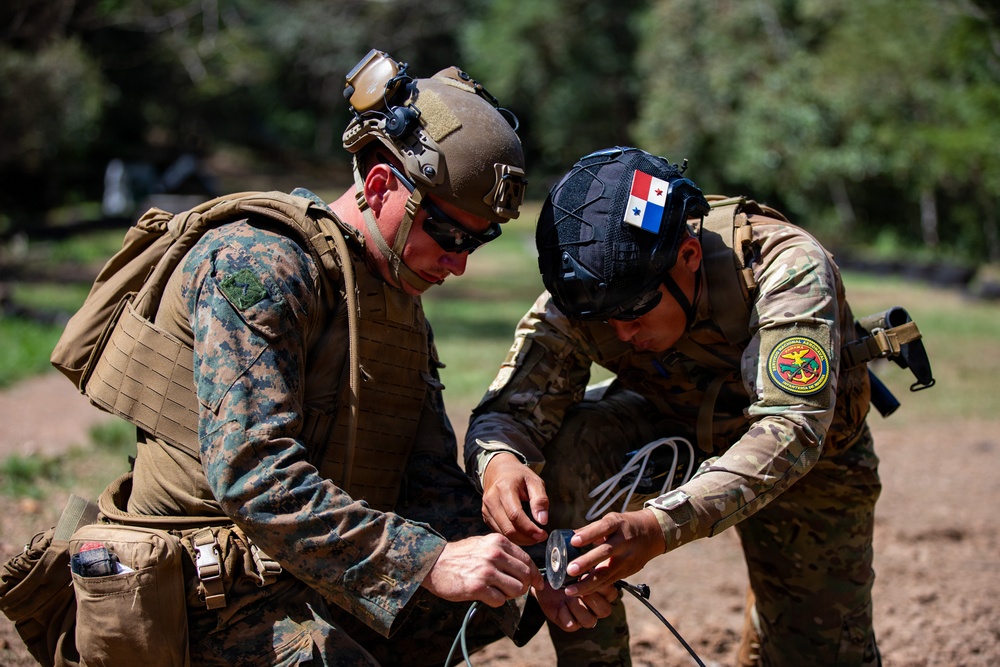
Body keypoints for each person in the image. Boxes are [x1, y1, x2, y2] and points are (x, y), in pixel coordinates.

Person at [56, 51, 616, 666]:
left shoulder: (392, 292)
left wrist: (535, 572)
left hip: (310, 567)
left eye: (479, 240)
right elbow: (253, 475)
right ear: (378, 187)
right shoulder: (259, 262)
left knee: (495, 596)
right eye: (451, 234)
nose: (459, 262)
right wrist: (426, 560)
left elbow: (423, 471)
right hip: (212, 588)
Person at [465, 146, 885, 666]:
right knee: (567, 444)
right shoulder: (593, 291)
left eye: (636, 311)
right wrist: (500, 463)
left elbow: (792, 428)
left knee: (816, 652)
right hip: (672, 425)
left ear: (687, 256)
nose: (621, 332)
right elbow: (508, 412)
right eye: (605, 319)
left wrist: (658, 526)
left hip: (810, 466)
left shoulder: (787, 267)